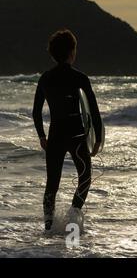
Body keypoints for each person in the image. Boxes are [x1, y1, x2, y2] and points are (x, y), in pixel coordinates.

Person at [32, 29, 102, 230]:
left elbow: (36, 112)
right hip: (77, 135)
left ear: (53, 53)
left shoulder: (45, 78)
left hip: (55, 135)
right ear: (72, 52)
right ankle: (73, 214)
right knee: (85, 178)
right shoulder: (80, 78)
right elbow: (94, 112)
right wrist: (97, 140)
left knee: (52, 183)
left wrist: (41, 136)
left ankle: (48, 226)